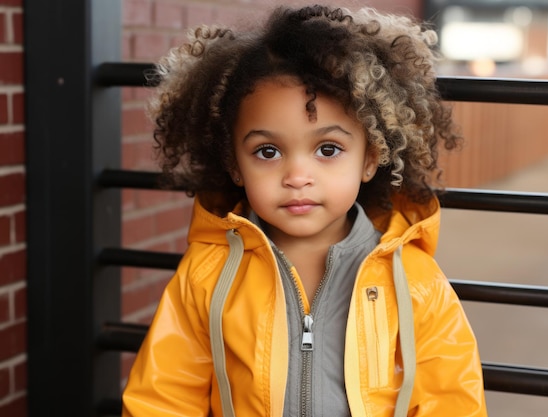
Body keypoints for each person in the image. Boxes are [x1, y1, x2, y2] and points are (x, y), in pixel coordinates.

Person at [122, 4, 488, 417]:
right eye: (268, 151)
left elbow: (452, 402)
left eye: (327, 149)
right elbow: (163, 400)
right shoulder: (208, 275)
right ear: (234, 165)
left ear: (371, 158)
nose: (297, 175)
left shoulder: (414, 280)